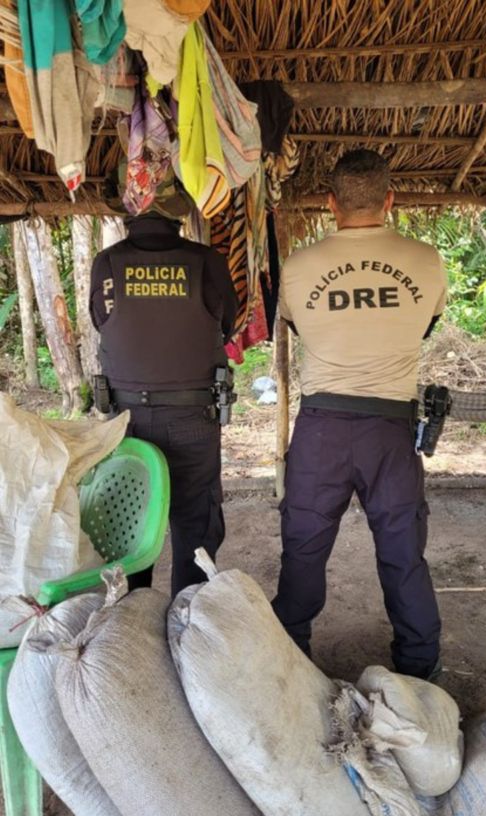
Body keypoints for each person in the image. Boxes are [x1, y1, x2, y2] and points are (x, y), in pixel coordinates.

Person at [272, 149, 448, 680]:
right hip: (391, 430)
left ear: (330, 204)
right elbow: (424, 326)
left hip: (321, 428)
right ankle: (419, 670)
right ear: (389, 200)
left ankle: (290, 662)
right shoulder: (426, 260)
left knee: (303, 547)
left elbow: (296, 327)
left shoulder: (299, 266)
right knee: (402, 552)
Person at [90, 207, 238, 595]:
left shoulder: (107, 263)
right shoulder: (206, 261)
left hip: (126, 423)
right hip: (192, 417)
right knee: (196, 524)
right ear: (178, 214)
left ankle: (132, 618)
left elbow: (99, 320)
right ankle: (187, 617)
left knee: (130, 524)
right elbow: (227, 323)